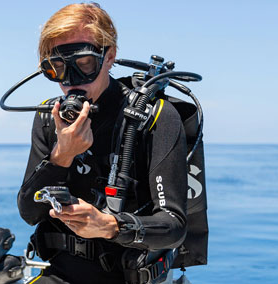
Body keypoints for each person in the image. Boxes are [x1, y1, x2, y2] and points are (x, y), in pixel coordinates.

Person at [18, 3, 188, 284]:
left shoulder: (154, 116)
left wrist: (110, 226)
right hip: (62, 276)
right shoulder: (49, 119)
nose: (71, 80)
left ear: (110, 56)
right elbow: (29, 211)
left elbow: (174, 225)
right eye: (58, 68)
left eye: (84, 64)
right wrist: (62, 155)